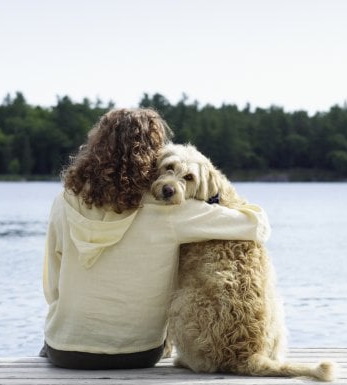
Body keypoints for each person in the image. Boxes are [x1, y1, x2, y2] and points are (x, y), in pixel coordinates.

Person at [41, 107, 270, 369]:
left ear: (95, 147)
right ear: (152, 155)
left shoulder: (63, 201)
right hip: (138, 353)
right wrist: (219, 193)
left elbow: (52, 286)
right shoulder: (170, 210)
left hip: (65, 351)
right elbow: (257, 226)